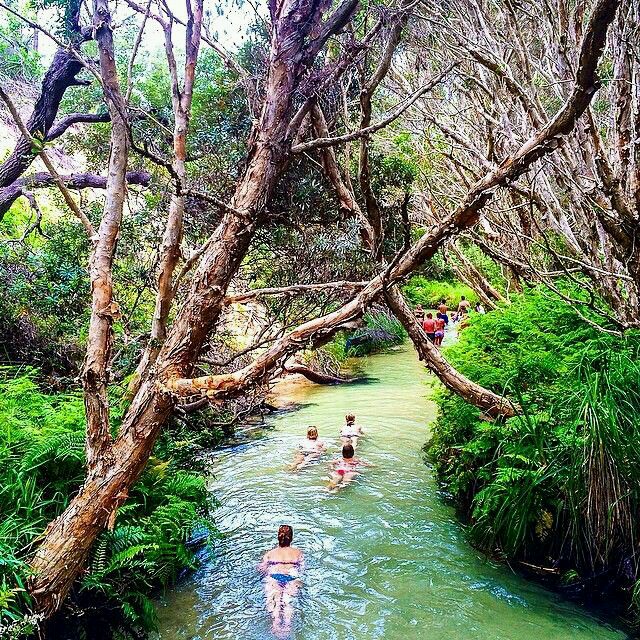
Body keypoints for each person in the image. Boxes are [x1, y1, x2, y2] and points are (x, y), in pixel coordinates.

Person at [258, 525, 304, 638]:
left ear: (278, 537)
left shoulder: (269, 554)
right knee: (288, 603)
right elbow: (302, 569)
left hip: (274, 576)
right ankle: (287, 626)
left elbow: (262, 569)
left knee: (275, 603)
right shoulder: (298, 553)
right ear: (291, 538)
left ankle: (276, 625)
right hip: (291, 577)